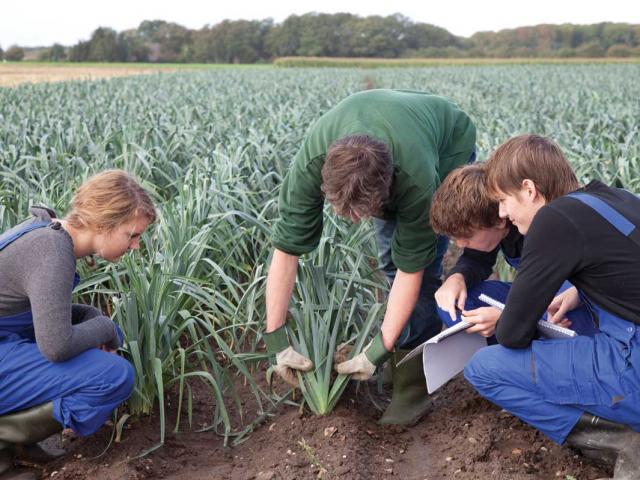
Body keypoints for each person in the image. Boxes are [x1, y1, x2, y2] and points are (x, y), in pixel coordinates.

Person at [263, 89, 476, 425]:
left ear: (388, 186)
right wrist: (276, 339)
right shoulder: (310, 164)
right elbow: (286, 250)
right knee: (389, 257)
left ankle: (413, 385)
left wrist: (376, 349)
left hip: (446, 143)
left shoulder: (417, 180)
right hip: (393, 142)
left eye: (367, 211)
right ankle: (396, 353)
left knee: (418, 267)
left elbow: (412, 270)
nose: (357, 221)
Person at [462, 135, 640, 478]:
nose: (502, 213)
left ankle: (619, 441)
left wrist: (504, 318)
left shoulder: (553, 219)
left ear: (529, 190)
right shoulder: (612, 197)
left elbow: (512, 334)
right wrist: (579, 291)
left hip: (634, 363)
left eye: (502, 200)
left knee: (482, 368)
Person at [0, 170, 156, 480]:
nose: (136, 245)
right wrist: (108, 329)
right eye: (132, 235)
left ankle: (19, 446)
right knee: (112, 375)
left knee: (90, 360)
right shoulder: (52, 251)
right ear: (104, 225)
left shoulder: (48, 232)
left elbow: (33, 308)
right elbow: (57, 346)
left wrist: (88, 316)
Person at [429, 163, 596, 339]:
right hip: (535, 297)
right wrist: (457, 277)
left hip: (572, 299)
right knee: (451, 303)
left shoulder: (541, 224)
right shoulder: (494, 223)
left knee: (565, 317)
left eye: (467, 236)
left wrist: (510, 319)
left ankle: (522, 347)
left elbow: (580, 286)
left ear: (499, 220)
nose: (461, 244)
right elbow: (477, 259)